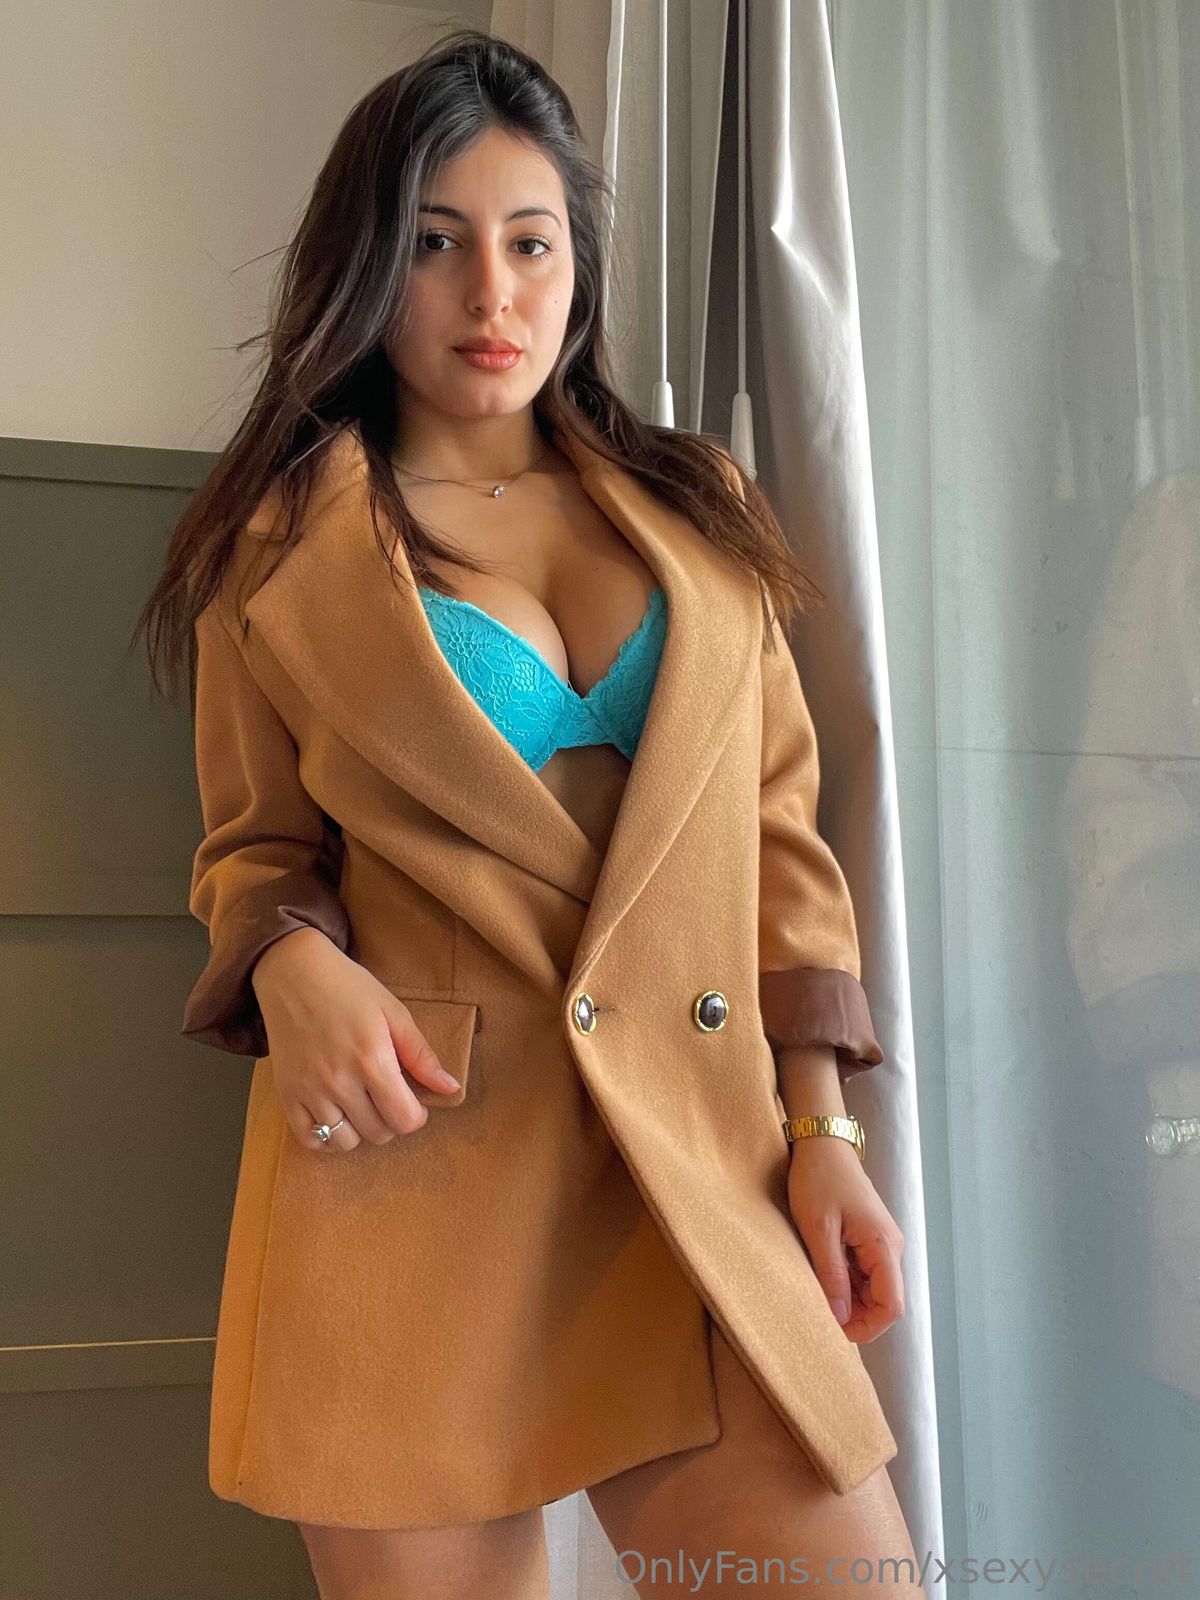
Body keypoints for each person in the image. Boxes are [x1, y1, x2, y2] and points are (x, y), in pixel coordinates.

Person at [136, 27, 923, 1600]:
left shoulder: (699, 508)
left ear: (578, 265)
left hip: (696, 1167)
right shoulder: (276, 551)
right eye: (436, 245)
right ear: (371, 267)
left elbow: (780, 845)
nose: (490, 294)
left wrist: (823, 1130)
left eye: (530, 242)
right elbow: (256, 850)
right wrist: (293, 967)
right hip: (418, 1178)